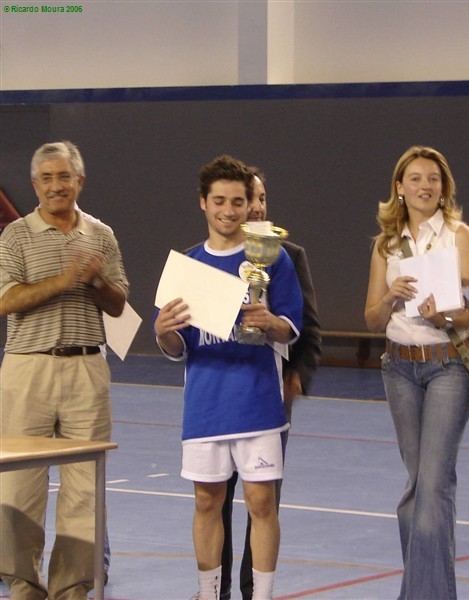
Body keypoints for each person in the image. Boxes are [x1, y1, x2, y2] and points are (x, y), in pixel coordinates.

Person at [154, 155, 303, 600]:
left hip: (257, 400)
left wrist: (269, 319)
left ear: (248, 204)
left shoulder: (271, 259)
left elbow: (291, 327)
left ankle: (262, 595)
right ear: (203, 203)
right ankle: (207, 591)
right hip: (205, 404)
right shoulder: (186, 265)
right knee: (206, 503)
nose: (229, 210)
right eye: (219, 200)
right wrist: (164, 333)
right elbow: (177, 347)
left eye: (237, 201)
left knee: (261, 504)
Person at [0, 141, 129, 599]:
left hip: (86, 369)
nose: (57, 186)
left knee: (85, 489)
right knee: (18, 488)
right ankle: (23, 586)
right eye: (47, 178)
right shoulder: (14, 236)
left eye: (65, 176)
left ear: (80, 181)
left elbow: (117, 306)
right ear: (35, 185)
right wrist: (64, 280)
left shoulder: (102, 235)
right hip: (27, 369)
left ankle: (72, 587)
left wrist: (94, 279)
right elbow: (6, 300)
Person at [364, 146, 469, 600]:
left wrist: (449, 317)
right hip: (398, 369)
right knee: (416, 492)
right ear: (399, 187)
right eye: (415, 178)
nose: (424, 186)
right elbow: (372, 320)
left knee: (433, 487)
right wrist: (391, 298)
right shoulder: (385, 244)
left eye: (433, 178)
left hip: (448, 368)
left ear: (444, 187)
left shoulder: (459, 236)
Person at [219, 167, 322, 600]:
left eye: (262, 197)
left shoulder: (288, 255)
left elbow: (310, 329)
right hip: (219, 395)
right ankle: (214, 589)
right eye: (250, 198)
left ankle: (251, 589)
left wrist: (296, 376)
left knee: (263, 503)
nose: (257, 205)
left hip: (269, 397)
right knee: (214, 499)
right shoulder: (211, 258)